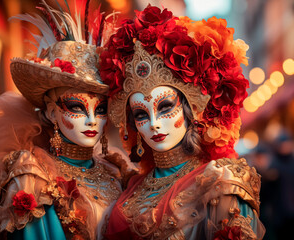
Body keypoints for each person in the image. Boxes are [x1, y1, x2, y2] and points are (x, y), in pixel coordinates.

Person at [0, 1, 131, 239]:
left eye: (100, 109)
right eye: (76, 108)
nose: (92, 120)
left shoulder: (115, 171)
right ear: (51, 113)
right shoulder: (32, 177)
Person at [100, 5, 266, 239]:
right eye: (141, 114)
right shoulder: (132, 184)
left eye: (166, 107)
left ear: (192, 110)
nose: (154, 123)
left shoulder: (220, 183)